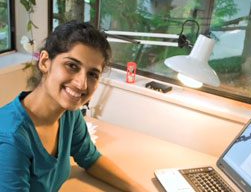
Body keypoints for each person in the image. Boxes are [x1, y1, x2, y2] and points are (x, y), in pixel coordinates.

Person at [0, 21, 148, 191]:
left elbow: (90, 158)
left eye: (92, 74)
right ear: (45, 62)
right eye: (72, 66)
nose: (82, 84)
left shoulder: (68, 114)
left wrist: (138, 189)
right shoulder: (11, 138)